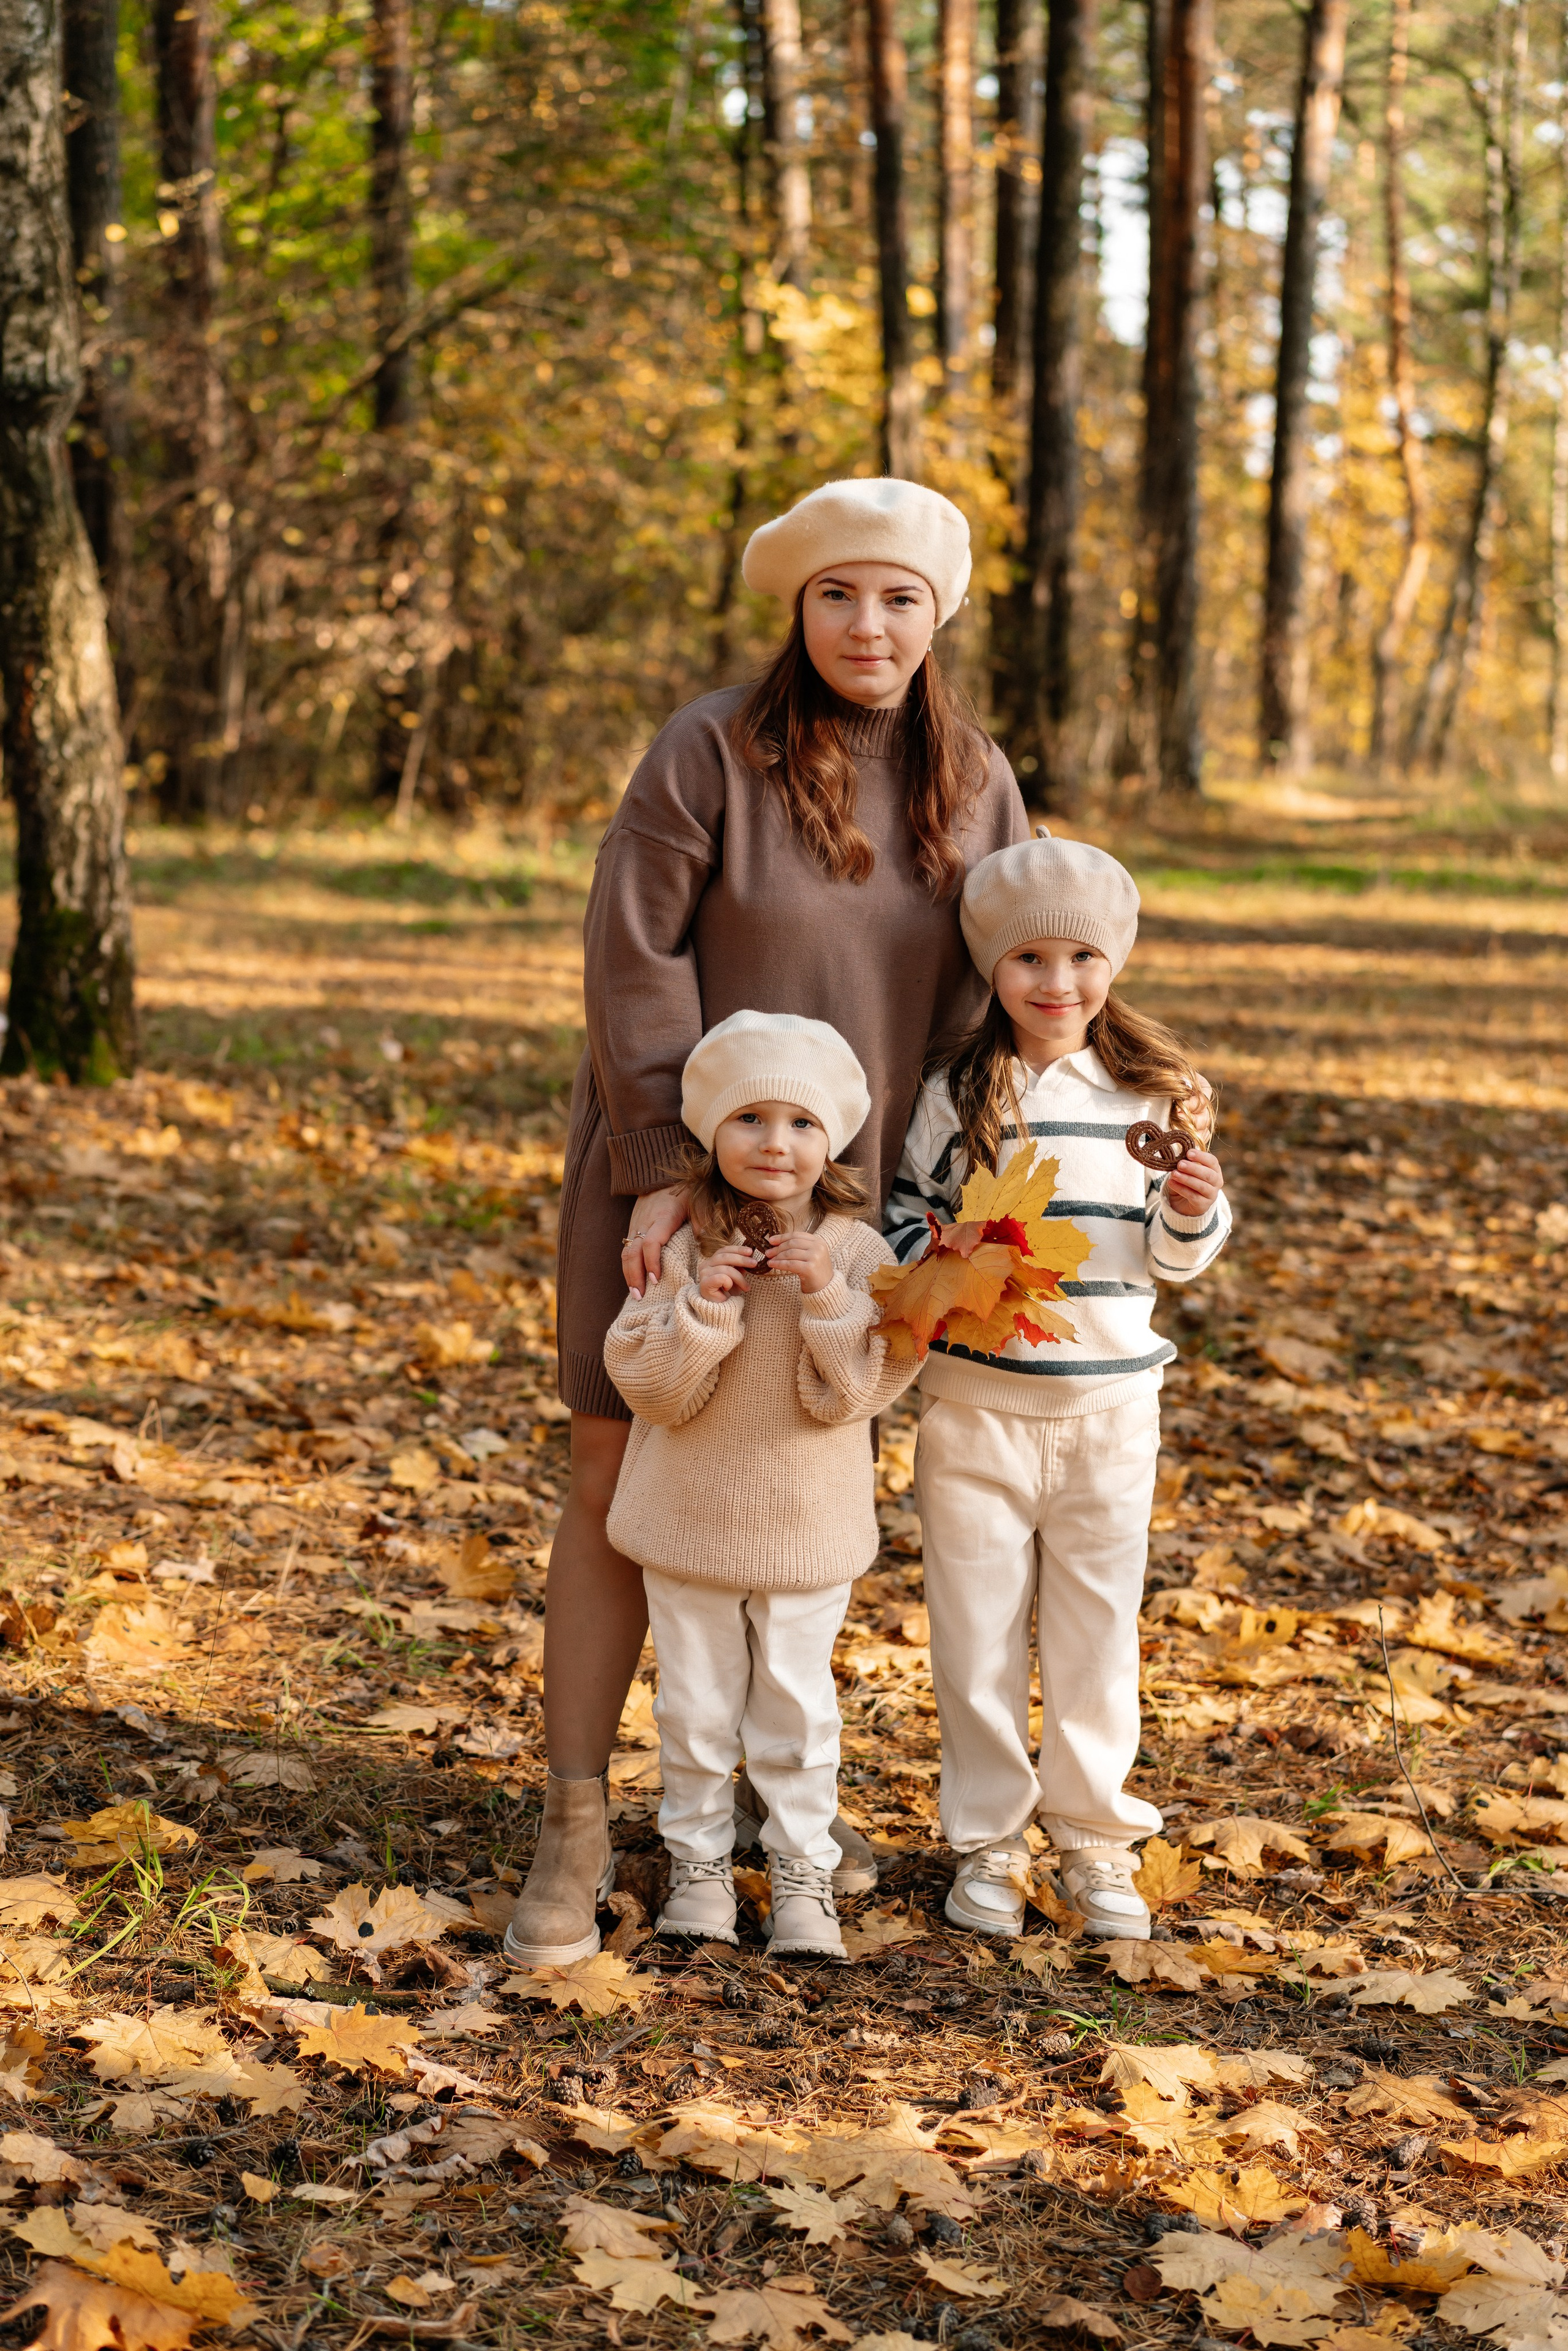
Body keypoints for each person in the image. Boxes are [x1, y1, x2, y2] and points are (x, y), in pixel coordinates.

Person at [505, 477, 1028, 1967]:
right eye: (838, 595)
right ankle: (576, 1815)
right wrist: (665, 1160)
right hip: (661, 1153)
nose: (869, 625)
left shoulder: (972, 776)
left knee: (790, 1479)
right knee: (619, 1457)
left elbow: (1011, 981)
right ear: (798, 609)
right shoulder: (710, 750)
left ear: (937, 617)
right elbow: (632, 952)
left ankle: (760, 1805)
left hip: (851, 1200)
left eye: (900, 599)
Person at [884, 836, 1232, 1942]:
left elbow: (1178, 1256)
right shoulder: (957, 1090)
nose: (1057, 981)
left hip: (1110, 1410)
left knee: (1096, 1628)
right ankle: (989, 1839)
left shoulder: (1153, 1094)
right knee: (974, 1629)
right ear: (993, 966)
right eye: (1030, 956)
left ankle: (1093, 1839)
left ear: (1113, 962)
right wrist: (938, 1252)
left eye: (1082, 955)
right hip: (976, 1407)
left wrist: (1189, 1207)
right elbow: (900, 1216)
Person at [601, 1012, 916, 1958]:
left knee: (795, 1711)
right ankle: (696, 1864)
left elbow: (857, 1392)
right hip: (691, 1520)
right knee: (694, 1708)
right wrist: (704, 1307)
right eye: (751, 1119)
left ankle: (800, 1874)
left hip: (806, 1531)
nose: (776, 1143)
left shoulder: (860, 1255)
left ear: (834, 1142)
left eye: (802, 1123)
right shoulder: (682, 1246)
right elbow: (650, 1388)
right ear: (709, 1133)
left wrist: (826, 1294)